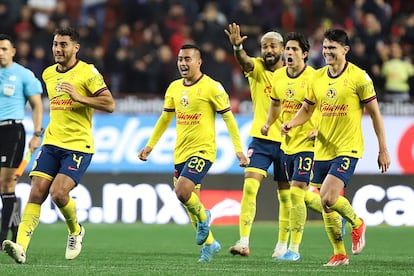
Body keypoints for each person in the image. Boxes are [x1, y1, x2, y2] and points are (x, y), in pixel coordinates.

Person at [2, 26, 115, 264]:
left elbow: (109, 104)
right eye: (55, 44)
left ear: (76, 48)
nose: (58, 49)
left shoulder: (88, 73)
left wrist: (79, 97)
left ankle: (75, 230)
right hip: (52, 142)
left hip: (78, 145)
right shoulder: (48, 74)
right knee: (36, 192)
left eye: (63, 44)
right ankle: (20, 246)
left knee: (58, 193)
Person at [281, 29, 390, 266]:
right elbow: (308, 109)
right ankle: (339, 254)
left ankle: (357, 222)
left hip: (347, 147)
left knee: (328, 197)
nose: (328, 52)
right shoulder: (317, 78)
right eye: (326, 47)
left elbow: (375, 115)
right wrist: (292, 122)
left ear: (345, 50)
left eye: (333, 48)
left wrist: (383, 148)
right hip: (322, 148)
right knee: (324, 204)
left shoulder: (359, 77)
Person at [138, 44, 249, 263]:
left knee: (181, 191)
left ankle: (205, 216)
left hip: (203, 151)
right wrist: (150, 145)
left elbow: (229, 118)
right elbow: (164, 119)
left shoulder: (212, 87)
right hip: (180, 152)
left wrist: (239, 150)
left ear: (199, 62)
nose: (183, 63)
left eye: (187, 59)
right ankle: (210, 244)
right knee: (189, 202)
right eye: (180, 59)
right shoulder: (174, 88)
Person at [224, 23, 291, 258]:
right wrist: (237, 46)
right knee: (250, 186)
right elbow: (244, 61)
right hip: (261, 139)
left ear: (283, 48)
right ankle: (243, 241)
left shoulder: (294, 73)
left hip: (288, 141)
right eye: (264, 46)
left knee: (286, 194)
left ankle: (282, 245)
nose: (268, 50)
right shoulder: (258, 68)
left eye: (273, 46)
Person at [261, 32, 323, 261]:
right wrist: (268, 123)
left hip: (309, 143)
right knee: (302, 196)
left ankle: (293, 249)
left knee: (296, 194)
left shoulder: (316, 77)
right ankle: (333, 212)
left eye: (294, 49)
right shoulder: (278, 77)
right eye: (287, 48)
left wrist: (320, 129)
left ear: (305, 54)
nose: (289, 53)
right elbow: (275, 104)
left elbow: (327, 106)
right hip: (287, 144)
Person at [0, 34, 43, 246]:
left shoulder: (23, 75)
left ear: (13, 51)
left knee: (6, 182)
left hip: (11, 131)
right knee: (7, 188)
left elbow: (37, 105)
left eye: (4, 49)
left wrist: (37, 134)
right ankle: (16, 234)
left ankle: (2, 239)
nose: (1, 53)